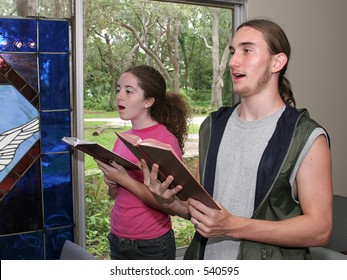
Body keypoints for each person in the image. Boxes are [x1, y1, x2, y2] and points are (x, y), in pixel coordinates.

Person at [142, 19, 333, 260]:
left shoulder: (307, 136)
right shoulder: (212, 127)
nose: (233, 62)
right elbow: (198, 209)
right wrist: (166, 201)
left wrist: (234, 226)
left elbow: (320, 230)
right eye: (233, 51)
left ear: (277, 62)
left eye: (247, 50)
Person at [95, 65, 191, 260]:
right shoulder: (122, 138)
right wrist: (112, 183)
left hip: (151, 244)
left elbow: (170, 204)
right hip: (116, 238)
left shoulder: (164, 141)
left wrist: (123, 179)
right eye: (118, 89)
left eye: (129, 91)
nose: (120, 96)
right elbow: (115, 195)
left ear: (148, 101)